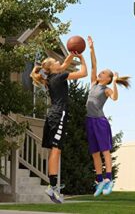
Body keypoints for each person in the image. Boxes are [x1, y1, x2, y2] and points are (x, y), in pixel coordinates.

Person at [30, 53, 87, 203]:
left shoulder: (50, 78)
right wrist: (82, 60)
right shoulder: (60, 77)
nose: (58, 62)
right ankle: (52, 186)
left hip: (52, 115)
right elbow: (83, 73)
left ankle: (53, 186)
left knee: (55, 151)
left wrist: (71, 55)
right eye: (55, 61)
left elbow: (63, 65)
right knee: (56, 150)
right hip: (58, 115)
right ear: (51, 67)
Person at [86, 36, 130, 197]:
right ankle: (100, 180)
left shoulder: (106, 89)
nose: (99, 72)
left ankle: (109, 179)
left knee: (105, 151)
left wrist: (115, 83)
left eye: (103, 73)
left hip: (100, 122)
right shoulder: (93, 83)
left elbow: (115, 98)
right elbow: (93, 64)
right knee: (95, 153)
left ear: (108, 78)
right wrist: (91, 48)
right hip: (89, 121)